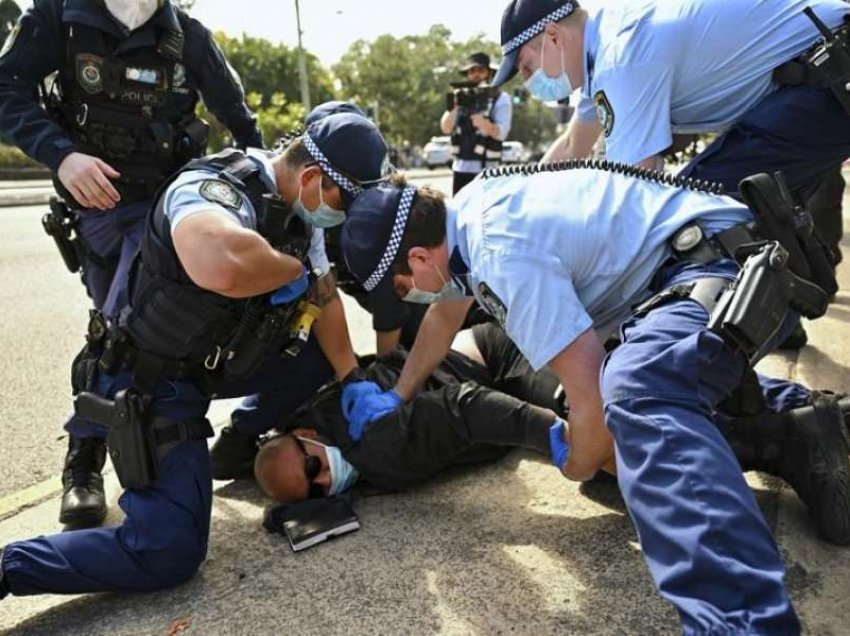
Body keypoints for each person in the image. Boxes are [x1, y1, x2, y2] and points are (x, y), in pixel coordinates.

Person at [337, 164, 850, 632]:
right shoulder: (466, 220)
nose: (412, 296)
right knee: (628, 457)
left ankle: (742, 624)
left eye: (403, 287)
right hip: (701, 269)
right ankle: (805, 429)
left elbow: (593, 403)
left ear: (420, 257)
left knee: (637, 394)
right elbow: (444, 316)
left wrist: (576, 461)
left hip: (726, 270)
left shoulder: (496, 249)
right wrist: (401, 392)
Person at [0, 112, 390, 598]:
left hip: (211, 363)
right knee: (168, 552)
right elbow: (219, 263)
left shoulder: (299, 213)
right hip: (152, 379)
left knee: (319, 359)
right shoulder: (212, 186)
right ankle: (9, 568)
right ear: (313, 177)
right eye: (346, 204)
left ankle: (239, 439)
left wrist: (353, 378)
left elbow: (324, 296)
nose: (345, 217)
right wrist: (292, 271)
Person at [0, 0, 264, 528]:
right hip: (96, 208)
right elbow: (5, 92)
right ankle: (112, 448)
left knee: (126, 326)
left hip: (166, 211)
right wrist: (61, 154)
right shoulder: (59, 17)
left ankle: (84, 464)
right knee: (110, 328)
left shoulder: (186, 35)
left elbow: (241, 122)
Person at [258, 322, 850, 534]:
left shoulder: (374, 441)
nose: (322, 482)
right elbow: (256, 458)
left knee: (610, 450)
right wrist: (285, 506)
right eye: (312, 492)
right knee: (612, 444)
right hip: (487, 357)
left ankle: (785, 440)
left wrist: (564, 441)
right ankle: (804, 412)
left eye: (312, 467)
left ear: (308, 439)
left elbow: (469, 406)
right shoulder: (322, 424)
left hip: (499, 360)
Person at [440, 52, 512, 194]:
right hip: (460, 170)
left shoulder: (500, 98)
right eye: (472, 71)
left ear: (488, 73)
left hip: (487, 172)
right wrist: (454, 108)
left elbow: (502, 132)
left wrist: (483, 124)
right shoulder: (459, 95)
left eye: (480, 70)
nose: (476, 74)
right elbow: (446, 128)